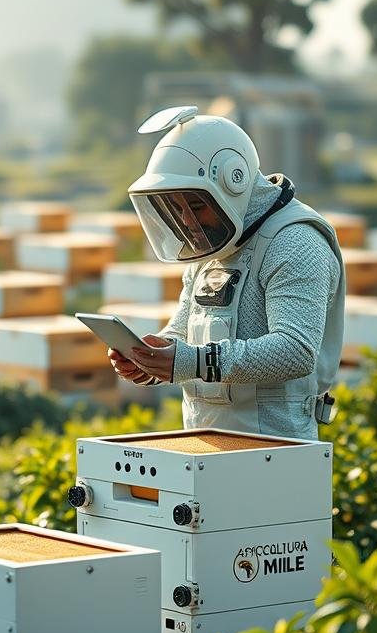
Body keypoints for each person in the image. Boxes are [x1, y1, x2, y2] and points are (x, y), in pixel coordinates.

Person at [109, 107, 345, 441]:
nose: (187, 222)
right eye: (176, 208)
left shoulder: (295, 242)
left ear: (233, 182)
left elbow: (295, 350)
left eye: (195, 206)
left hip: (276, 448)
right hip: (205, 444)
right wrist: (152, 359)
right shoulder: (213, 245)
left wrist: (190, 361)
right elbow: (185, 328)